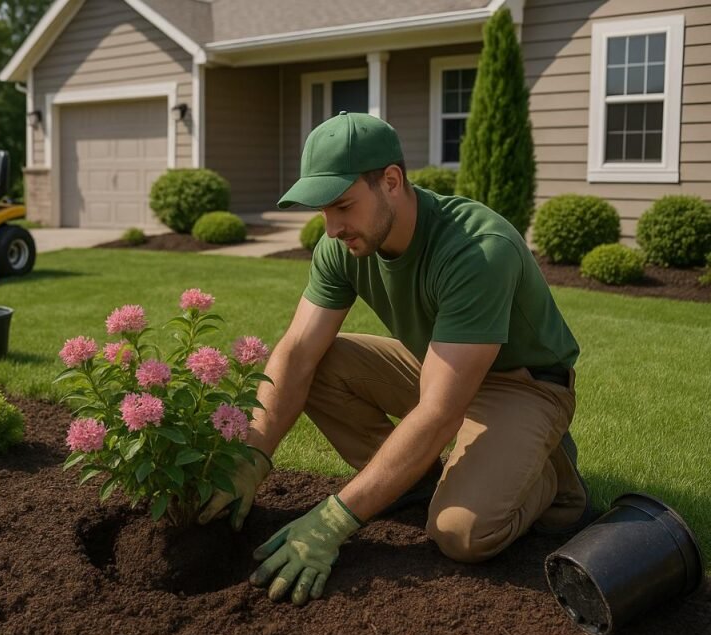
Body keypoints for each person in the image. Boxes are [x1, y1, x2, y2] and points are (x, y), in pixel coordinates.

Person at [197, 112, 592, 606]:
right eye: (323, 211)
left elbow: (440, 411)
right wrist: (252, 455)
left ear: (390, 181)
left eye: (343, 205)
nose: (333, 227)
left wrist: (336, 517)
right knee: (321, 361)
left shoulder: (476, 249)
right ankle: (411, 486)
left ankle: (552, 479)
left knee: (461, 534)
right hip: (439, 366)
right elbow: (297, 354)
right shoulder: (340, 245)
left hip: (523, 384)